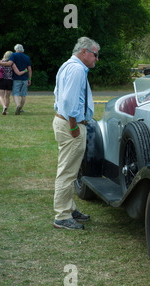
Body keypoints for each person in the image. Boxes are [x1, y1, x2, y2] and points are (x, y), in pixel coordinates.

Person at [52, 36, 100, 230]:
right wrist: (73, 125)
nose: (97, 59)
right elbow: (69, 101)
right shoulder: (77, 69)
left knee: (69, 170)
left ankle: (69, 209)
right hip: (71, 125)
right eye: (95, 55)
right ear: (84, 52)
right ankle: (62, 216)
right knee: (67, 172)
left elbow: (59, 94)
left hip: (66, 122)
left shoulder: (68, 66)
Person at [0, 44, 32, 115]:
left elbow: (7, 64)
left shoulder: (5, 60)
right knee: (17, 95)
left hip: (7, 80)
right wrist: (27, 75)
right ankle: (19, 108)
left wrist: (0, 62)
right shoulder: (24, 59)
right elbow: (25, 71)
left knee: (7, 95)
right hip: (16, 80)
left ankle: (10, 106)